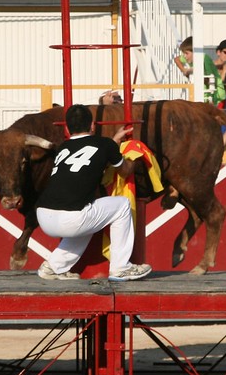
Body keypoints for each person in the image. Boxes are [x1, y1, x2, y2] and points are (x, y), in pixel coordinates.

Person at [35, 104, 152, 282]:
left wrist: (112, 143)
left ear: (67, 128)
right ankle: (121, 268)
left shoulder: (62, 148)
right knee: (122, 205)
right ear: (92, 126)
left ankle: (53, 266)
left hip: (44, 215)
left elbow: (92, 154)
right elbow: (125, 171)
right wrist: (133, 156)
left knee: (88, 220)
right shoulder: (105, 144)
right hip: (72, 218)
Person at [174, 36, 226, 106]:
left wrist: (193, 75)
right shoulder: (190, 58)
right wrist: (185, 71)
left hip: (216, 96)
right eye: (183, 53)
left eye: (186, 53)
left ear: (195, 52)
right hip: (203, 95)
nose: (184, 56)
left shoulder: (205, 59)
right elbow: (177, 59)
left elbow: (210, 79)